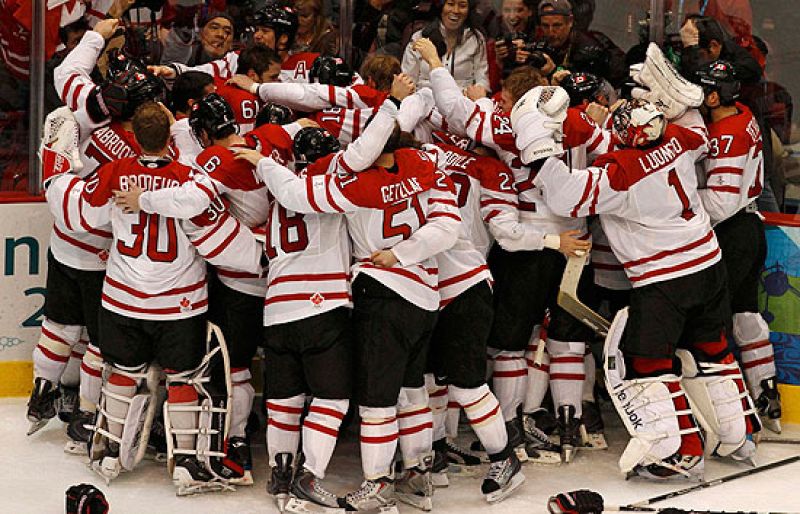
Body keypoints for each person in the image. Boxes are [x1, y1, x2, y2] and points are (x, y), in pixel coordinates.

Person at [522, 86, 759, 478]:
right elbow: (693, 129)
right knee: (712, 348)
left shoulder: (621, 174)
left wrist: (536, 141)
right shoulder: (681, 138)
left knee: (645, 364)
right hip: (708, 263)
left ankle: (676, 450)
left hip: (665, 279)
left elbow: (567, 198)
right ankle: (737, 434)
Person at [696, 60, 782, 433]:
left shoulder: (728, 134)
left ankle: (731, 409)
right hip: (750, 229)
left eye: (705, 90)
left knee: (709, 321)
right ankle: (766, 393)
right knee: (746, 316)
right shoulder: (743, 114)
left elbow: (720, 202)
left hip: (732, 234)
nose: (701, 96)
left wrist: (676, 197)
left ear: (717, 95)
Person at [533, 0, 626, 88]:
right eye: (545, 26)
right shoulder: (542, 43)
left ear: (570, 22)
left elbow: (584, 89)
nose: (551, 32)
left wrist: (553, 71)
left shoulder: (588, 50)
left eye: (557, 25)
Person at [402, 0, 490, 91]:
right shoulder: (419, 38)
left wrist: (478, 91)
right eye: (450, 4)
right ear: (441, 7)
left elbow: (482, 80)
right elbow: (408, 80)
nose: (456, 10)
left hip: (462, 101)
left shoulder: (476, 39)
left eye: (462, 6)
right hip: (424, 99)